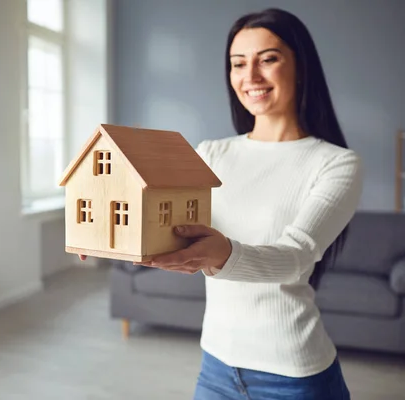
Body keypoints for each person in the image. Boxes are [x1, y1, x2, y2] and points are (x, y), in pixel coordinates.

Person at [81, 7, 362, 400]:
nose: (251, 77)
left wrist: (222, 254)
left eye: (268, 59)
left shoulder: (335, 163)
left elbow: (296, 257)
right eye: (238, 63)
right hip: (215, 366)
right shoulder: (211, 154)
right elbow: (169, 223)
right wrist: (109, 236)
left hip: (292, 375)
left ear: (301, 66)